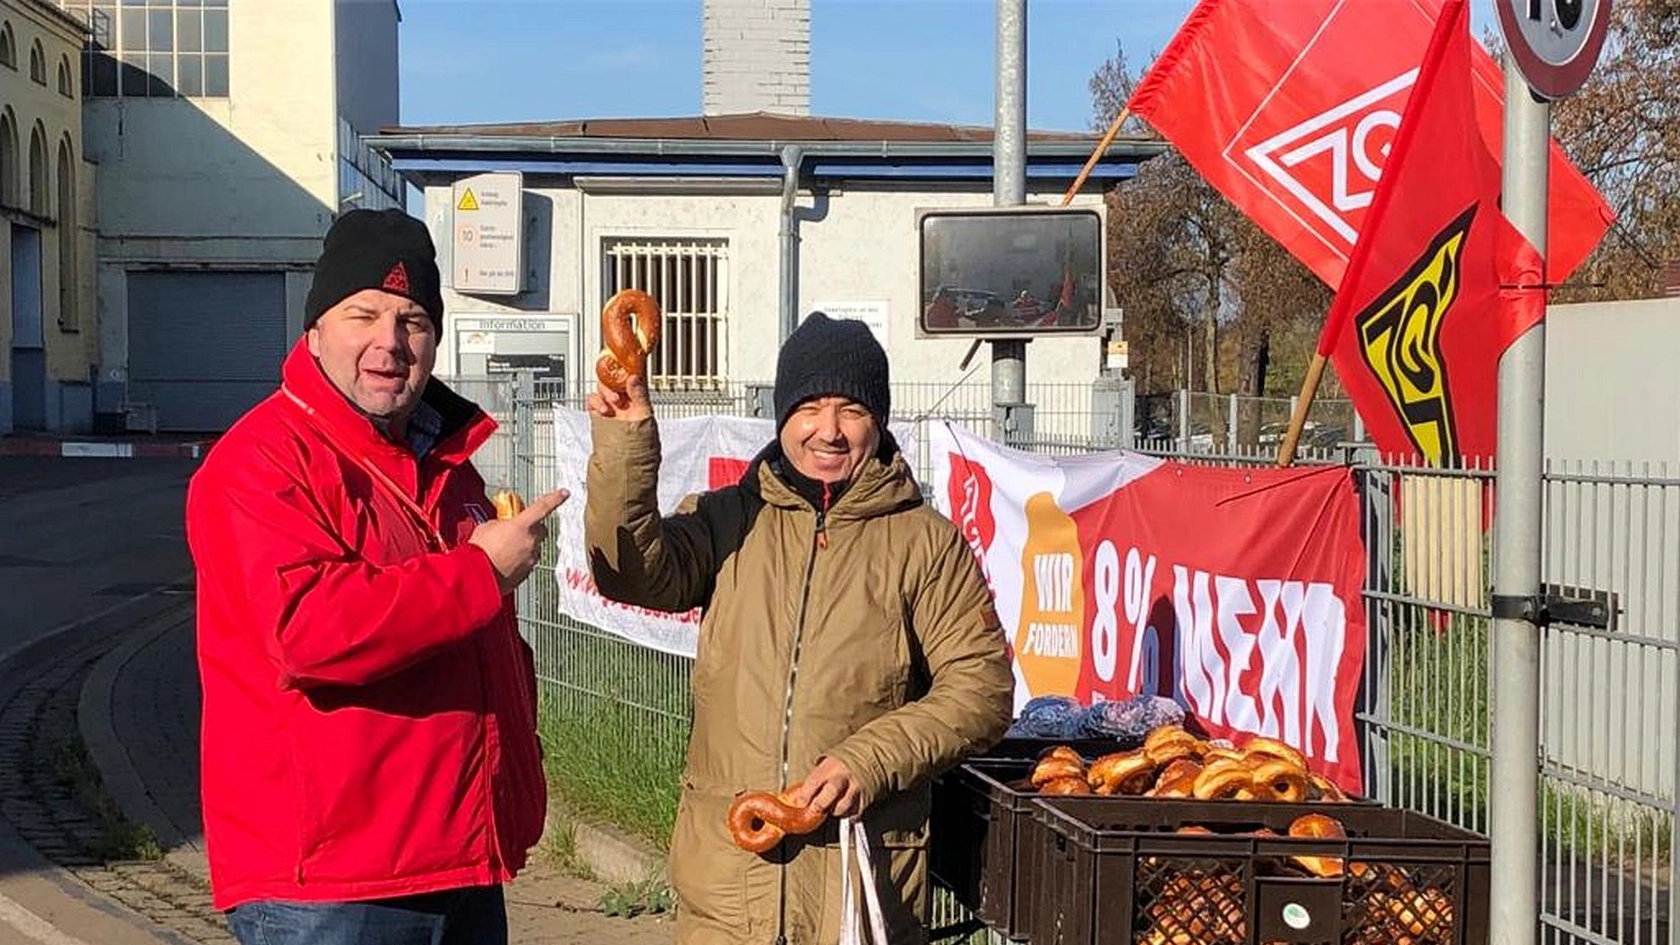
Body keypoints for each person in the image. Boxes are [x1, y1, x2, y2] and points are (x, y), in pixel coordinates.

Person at [185, 208, 565, 945]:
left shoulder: (449, 472)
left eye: (414, 320)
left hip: (459, 859)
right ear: (315, 330)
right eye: (364, 314)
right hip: (333, 885)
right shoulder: (260, 462)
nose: (389, 342)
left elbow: (487, 651)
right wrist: (480, 569)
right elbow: (309, 632)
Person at [584, 311, 1013, 945]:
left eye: (852, 410)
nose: (829, 431)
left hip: (859, 892)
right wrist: (626, 442)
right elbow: (629, 573)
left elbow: (980, 689)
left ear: (880, 420)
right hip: (725, 895)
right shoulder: (728, 518)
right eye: (810, 406)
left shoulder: (924, 542)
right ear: (784, 415)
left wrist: (868, 760)